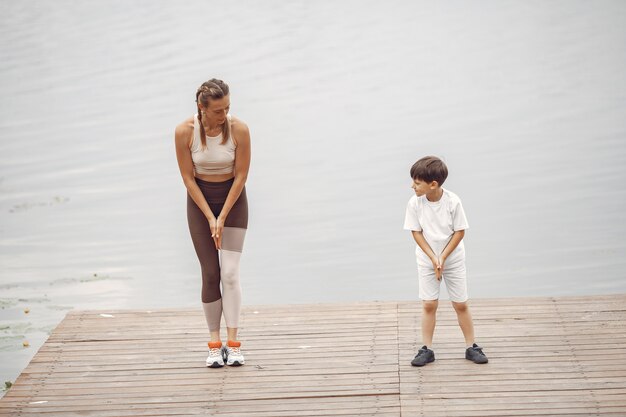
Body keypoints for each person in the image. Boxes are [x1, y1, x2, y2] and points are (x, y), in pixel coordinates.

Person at [175, 79, 251, 368]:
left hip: (234, 203)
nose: (224, 115)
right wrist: (209, 216)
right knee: (210, 274)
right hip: (199, 205)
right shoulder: (185, 132)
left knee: (230, 274)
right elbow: (187, 178)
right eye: (218, 110)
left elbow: (241, 176)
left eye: (228, 108)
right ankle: (214, 344)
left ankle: (233, 345)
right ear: (201, 108)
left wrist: (222, 217)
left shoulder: (240, 129)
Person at [403, 156, 488, 367]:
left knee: (460, 303)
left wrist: (443, 257)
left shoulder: (453, 201)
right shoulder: (415, 203)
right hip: (426, 258)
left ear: (433, 184)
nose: (412, 186)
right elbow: (416, 232)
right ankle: (427, 349)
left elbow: (460, 232)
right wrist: (433, 257)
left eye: (417, 182)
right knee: (429, 304)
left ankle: (472, 346)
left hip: (453, 258)